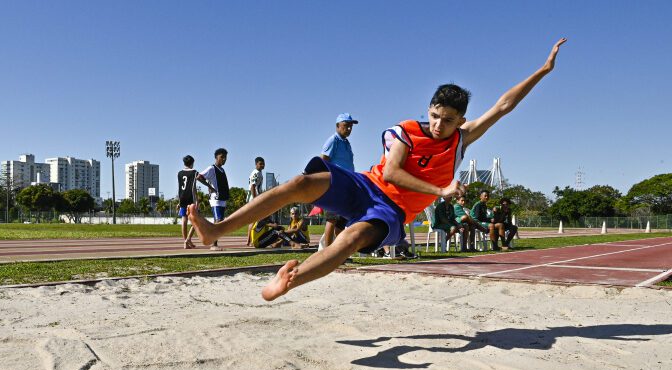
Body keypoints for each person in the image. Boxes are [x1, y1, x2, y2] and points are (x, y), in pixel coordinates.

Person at [188, 38, 566, 301]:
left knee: (350, 241)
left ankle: (289, 281)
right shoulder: (406, 131)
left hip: (393, 212)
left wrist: (543, 71)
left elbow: (502, 106)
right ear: (428, 109)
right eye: (435, 116)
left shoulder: (460, 141)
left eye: (448, 120)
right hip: (366, 185)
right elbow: (391, 174)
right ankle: (216, 230)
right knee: (302, 182)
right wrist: (440, 191)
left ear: (460, 121)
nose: (438, 125)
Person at [320, 113, 357, 248]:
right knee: (332, 218)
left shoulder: (346, 143)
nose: (349, 129)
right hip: (336, 186)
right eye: (346, 126)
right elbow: (323, 160)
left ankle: (338, 251)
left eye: (350, 127)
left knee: (341, 221)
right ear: (337, 126)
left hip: (347, 185)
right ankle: (327, 252)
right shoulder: (333, 140)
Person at [177, 155, 215, 249]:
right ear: (192, 163)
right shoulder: (194, 172)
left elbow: (179, 188)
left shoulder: (179, 173)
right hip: (190, 198)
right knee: (196, 219)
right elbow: (197, 184)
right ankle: (188, 239)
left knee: (184, 219)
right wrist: (210, 187)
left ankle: (185, 241)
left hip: (182, 197)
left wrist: (179, 201)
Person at [197, 148, 229, 251]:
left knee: (220, 221)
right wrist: (210, 187)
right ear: (216, 157)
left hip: (222, 198)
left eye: (225, 158)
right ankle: (213, 244)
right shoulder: (212, 168)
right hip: (216, 199)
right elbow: (199, 177)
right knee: (218, 220)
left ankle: (214, 241)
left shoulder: (222, 170)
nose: (224, 159)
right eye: (222, 157)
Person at [246, 157, 265, 245]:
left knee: (255, 220)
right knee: (253, 220)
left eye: (263, 163)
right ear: (256, 164)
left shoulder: (259, 173)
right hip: (253, 199)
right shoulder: (256, 173)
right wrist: (255, 199)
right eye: (260, 163)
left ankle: (250, 240)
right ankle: (249, 240)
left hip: (256, 198)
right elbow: (252, 186)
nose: (262, 165)